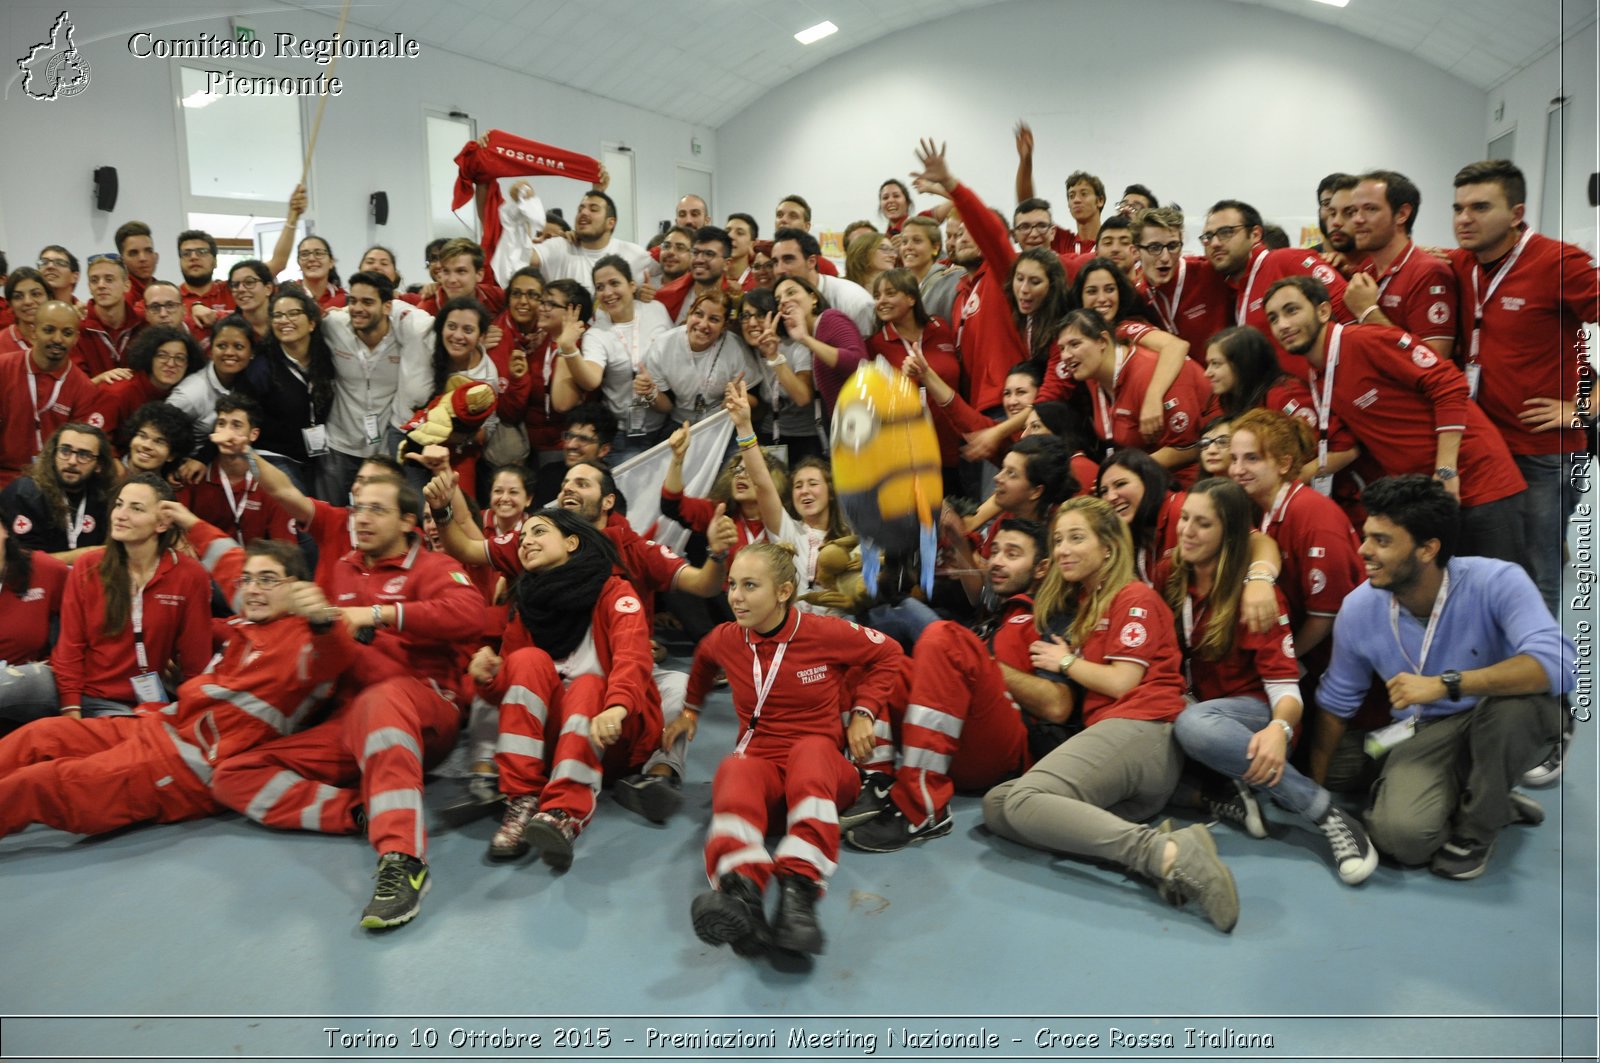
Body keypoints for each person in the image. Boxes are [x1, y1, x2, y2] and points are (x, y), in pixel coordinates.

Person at [210, 476, 484, 930]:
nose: (362, 518)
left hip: (422, 709)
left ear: (408, 521)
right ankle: (360, 811)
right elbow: (323, 635)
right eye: (358, 509)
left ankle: (404, 859)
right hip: (350, 717)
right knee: (231, 775)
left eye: (377, 509)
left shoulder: (433, 566)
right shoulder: (340, 568)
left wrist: (377, 614)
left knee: (382, 701)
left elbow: (469, 613)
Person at [981, 498, 1239, 932]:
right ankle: (1154, 857)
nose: (1062, 548)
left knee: (1024, 800)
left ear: (1109, 548)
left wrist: (1064, 663)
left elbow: (1122, 682)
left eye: (1076, 537)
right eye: (1058, 539)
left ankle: (1166, 854)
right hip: (1124, 753)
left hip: (1142, 730)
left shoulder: (1133, 596)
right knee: (999, 806)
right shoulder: (1088, 604)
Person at [0, 541, 353, 841]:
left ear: (298, 588)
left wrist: (323, 617)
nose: (253, 588)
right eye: (248, 579)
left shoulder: (308, 644)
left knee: (41, 783)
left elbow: (335, 652)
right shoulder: (244, 629)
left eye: (268, 579)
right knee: (42, 734)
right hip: (155, 727)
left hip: (181, 770)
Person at [1313, 475, 1573, 879]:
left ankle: (1476, 830)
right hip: (1421, 731)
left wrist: (1448, 683)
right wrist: (1315, 792)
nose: (1363, 551)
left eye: (1382, 541)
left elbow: (1559, 664)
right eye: (1366, 537)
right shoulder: (1360, 606)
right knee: (1400, 838)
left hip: (1493, 714)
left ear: (1427, 549)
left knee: (1516, 709)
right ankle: (1483, 794)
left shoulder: (1497, 581)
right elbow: (1335, 702)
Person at [685, 541, 908, 957]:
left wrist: (863, 711)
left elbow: (889, 654)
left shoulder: (824, 632)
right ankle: (741, 896)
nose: (735, 596)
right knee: (735, 767)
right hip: (766, 785)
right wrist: (689, 711)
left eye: (750, 585)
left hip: (823, 775)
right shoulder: (727, 639)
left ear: (784, 591)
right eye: (733, 584)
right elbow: (701, 662)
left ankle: (798, 896)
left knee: (810, 752)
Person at [1162, 479, 1377, 885]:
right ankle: (1229, 787)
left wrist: (1280, 729)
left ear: (1229, 533)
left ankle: (1326, 812)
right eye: (1184, 518)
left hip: (1253, 715)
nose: (1187, 530)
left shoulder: (1256, 596)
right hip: (1193, 704)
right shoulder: (1170, 575)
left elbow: (1286, 691)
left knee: (1194, 726)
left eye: (1203, 524)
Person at [1262, 275, 1527, 562]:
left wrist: (1447, 470)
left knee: (1503, 593)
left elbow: (1450, 384)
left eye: (1292, 310)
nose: (1283, 325)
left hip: (1476, 482)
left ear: (1323, 311)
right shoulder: (1318, 373)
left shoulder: (1367, 340)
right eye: (1273, 318)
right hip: (1429, 497)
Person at [844, 517, 1064, 851]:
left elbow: (1056, 705)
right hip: (954, 740)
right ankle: (876, 779)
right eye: (996, 552)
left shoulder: (1050, 616)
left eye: (1013, 553)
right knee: (870, 650)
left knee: (942, 635)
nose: (998, 561)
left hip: (1005, 747)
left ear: (1041, 568)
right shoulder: (992, 611)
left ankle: (924, 808)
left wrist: (978, 663)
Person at [1445, 159, 1598, 623]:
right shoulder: (1460, 263)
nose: (1464, 218)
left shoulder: (1559, 262)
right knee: (1488, 567)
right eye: (1457, 207)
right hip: (1483, 445)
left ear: (1516, 213)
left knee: (1537, 570)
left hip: (1543, 450)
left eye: (1479, 207)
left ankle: (1544, 685)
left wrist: (1585, 408)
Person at [470, 508, 662, 866]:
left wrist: (617, 707)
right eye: (523, 537)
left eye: (539, 532)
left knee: (588, 684)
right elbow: (510, 693)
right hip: (554, 743)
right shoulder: (526, 603)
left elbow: (633, 657)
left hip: (612, 732)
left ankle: (564, 812)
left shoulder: (615, 591)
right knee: (525, 661)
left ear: (572, 542)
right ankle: (523, 800)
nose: (526, 541)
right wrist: (490, 677)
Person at [0, 474, 211, 728]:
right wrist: (71, 713)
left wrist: (194, 717)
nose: (120, 514)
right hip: (72, 690)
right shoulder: (89, 566)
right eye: (119, 504)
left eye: (136, 508)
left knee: (124, 746)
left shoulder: (189, 575)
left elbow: (195, 660)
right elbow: (70, 646)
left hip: (135, 704)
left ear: (163, 523)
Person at [1227, 409, 1364, 679]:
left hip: (1340, 669)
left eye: (1252, 458)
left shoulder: (1313, 515)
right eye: (1234, 459)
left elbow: (1326, 615)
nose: (1237, 470)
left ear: (1284, 464)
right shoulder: (1264, 508)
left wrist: (1283, 661)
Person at [1056, 308, 1213, 486]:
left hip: (1194, 480)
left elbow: (1189, 449)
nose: (1066, 356)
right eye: (1062, 348)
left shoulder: (1149, 374)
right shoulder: (1092, 375)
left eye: (1075, 344)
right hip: (1147, 479)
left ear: (1103, 341)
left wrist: (1125, 472)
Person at [317, 270, 435, 503]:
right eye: (353, 301)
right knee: (334, 518)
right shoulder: (333, 326)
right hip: (339, 444)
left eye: (367, 302)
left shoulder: (405, 336)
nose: (357, 308)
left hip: (382, 450)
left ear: (387, 306)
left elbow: (436, 327)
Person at [1198, 200, 1350, 381]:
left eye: (1226, 232)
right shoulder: (1236, 288)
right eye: (1208, 236)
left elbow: (1349, 314)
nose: (1214, 243)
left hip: (1329, 391)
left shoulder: (1285, 260)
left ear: (1255, 234)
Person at [1340, 170, 1456, 356]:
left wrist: (1368, 312)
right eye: (1353, 211)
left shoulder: (1429, 272)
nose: (1357, 219)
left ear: (1402, 214)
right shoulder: (1366, 269)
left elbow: (1434, 362)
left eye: (1370, 209)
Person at [242, 286, 338, 496]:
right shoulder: (262, 369)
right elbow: (243, 415)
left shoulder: (325, 361)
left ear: (312, 323)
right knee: (301, 515)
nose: (284, 320)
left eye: (293, 313)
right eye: (277, 315)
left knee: (330, 508)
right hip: (272, 456)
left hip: (313, 455)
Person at [0, 300, 98, 489]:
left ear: (77, 338)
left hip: (52, 484)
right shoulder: (3, 369)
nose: (58, 339)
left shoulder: (84, 388)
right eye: (49, 330)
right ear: (33, 331)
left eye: (67, 333)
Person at [180, 394, 299, 544]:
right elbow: (178, 538)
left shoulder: (271, 483)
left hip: (253, 565)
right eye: (221, 424)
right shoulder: (194, 476)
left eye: (236, 425)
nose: (227, 433)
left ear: (253, 434)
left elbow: (286, 549)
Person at [638, 290, 759, 427]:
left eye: (714, 319)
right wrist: (651, 392)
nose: (702, 324)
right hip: (679, 422)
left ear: (724, 325)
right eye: (698, 314)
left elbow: (756, 401)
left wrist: (737, 400)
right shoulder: (663, 346)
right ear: (689, 313)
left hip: (724, 421)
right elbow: (666, 407)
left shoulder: (737, 348)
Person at [0, 423, 114, 562]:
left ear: (99, 465)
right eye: (65, 451)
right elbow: (21, 562)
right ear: (53, 455)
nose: (72, 461)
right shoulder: (25, 494)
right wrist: (81, 556)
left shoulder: (103, 497)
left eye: (84, 455)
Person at [740, 287, 821, 463]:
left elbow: (802, 397)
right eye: (745, 316)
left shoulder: (795, 347)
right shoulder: (745, 352)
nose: (752, 323)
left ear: (776, 316)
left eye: (760, 315)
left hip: (806, 435)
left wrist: (773, 356)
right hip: (768, 433)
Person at [771, 273, 865, 423]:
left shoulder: (830, 319)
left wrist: (806, 339)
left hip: (867, 418)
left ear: (813, 298)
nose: (783, 300)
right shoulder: (805, 336)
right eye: (778, 299)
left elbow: (857, 364)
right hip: (846, 423)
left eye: (791, 292)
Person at [525, 188, 653, 294]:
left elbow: (668, 268)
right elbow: (517, 259)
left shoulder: (634, 254)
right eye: (580, 209)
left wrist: (639, 295)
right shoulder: (559, 246)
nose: (583, 212)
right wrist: (519, 213)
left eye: (593, 209)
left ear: (610, 223)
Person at [90, 325, 203, 437]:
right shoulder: (118, 392)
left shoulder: (185, 394)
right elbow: (93, 438)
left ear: (188, 364)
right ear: (149, 357)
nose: (171, 364)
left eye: (179, 358)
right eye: (162, 356)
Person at [0, 496, 70, 667]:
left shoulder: (45, 569)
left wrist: (56, 668)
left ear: (5, 529)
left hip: (29, 683)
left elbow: (87, 624)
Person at [168, 315, 259, 441]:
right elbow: (159, 434)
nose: (229, 352)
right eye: (221, 346)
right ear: (210, 349)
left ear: (252, 352)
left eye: (238, 347)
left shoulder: (254, 380)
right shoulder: (189, 395)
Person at [771, 227, 876, 335]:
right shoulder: (777, 303)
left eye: (788, 259)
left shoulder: (854, 302)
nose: (779, 270)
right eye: (775, 262)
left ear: (811, 262)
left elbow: (865, 351)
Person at [77, 253, 142, 381]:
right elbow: (73, 390)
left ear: (127, 285)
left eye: (109, 279)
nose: (101, 285)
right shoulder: (77, 330)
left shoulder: (143, 324)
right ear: (89, 287)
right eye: (94, 280)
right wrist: (100, 379)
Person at [120, 401, 195, 482]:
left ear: (172, 455)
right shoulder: (107, 472)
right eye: (142, 436)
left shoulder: (169, 490)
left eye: (159, 442)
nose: (146, 445)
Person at [0, 268, 52, 358]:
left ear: (49, 297)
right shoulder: (2, 342)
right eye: (18, 296)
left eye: (36, 294)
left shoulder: (63, 338)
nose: (27, 302)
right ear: (10, 303)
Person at [114, 220, 160, 302]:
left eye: (148, 251)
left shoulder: (164, 290)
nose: (143, 258)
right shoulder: (119, 298)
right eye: (133, 253)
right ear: (122, 261)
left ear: (156, 257)